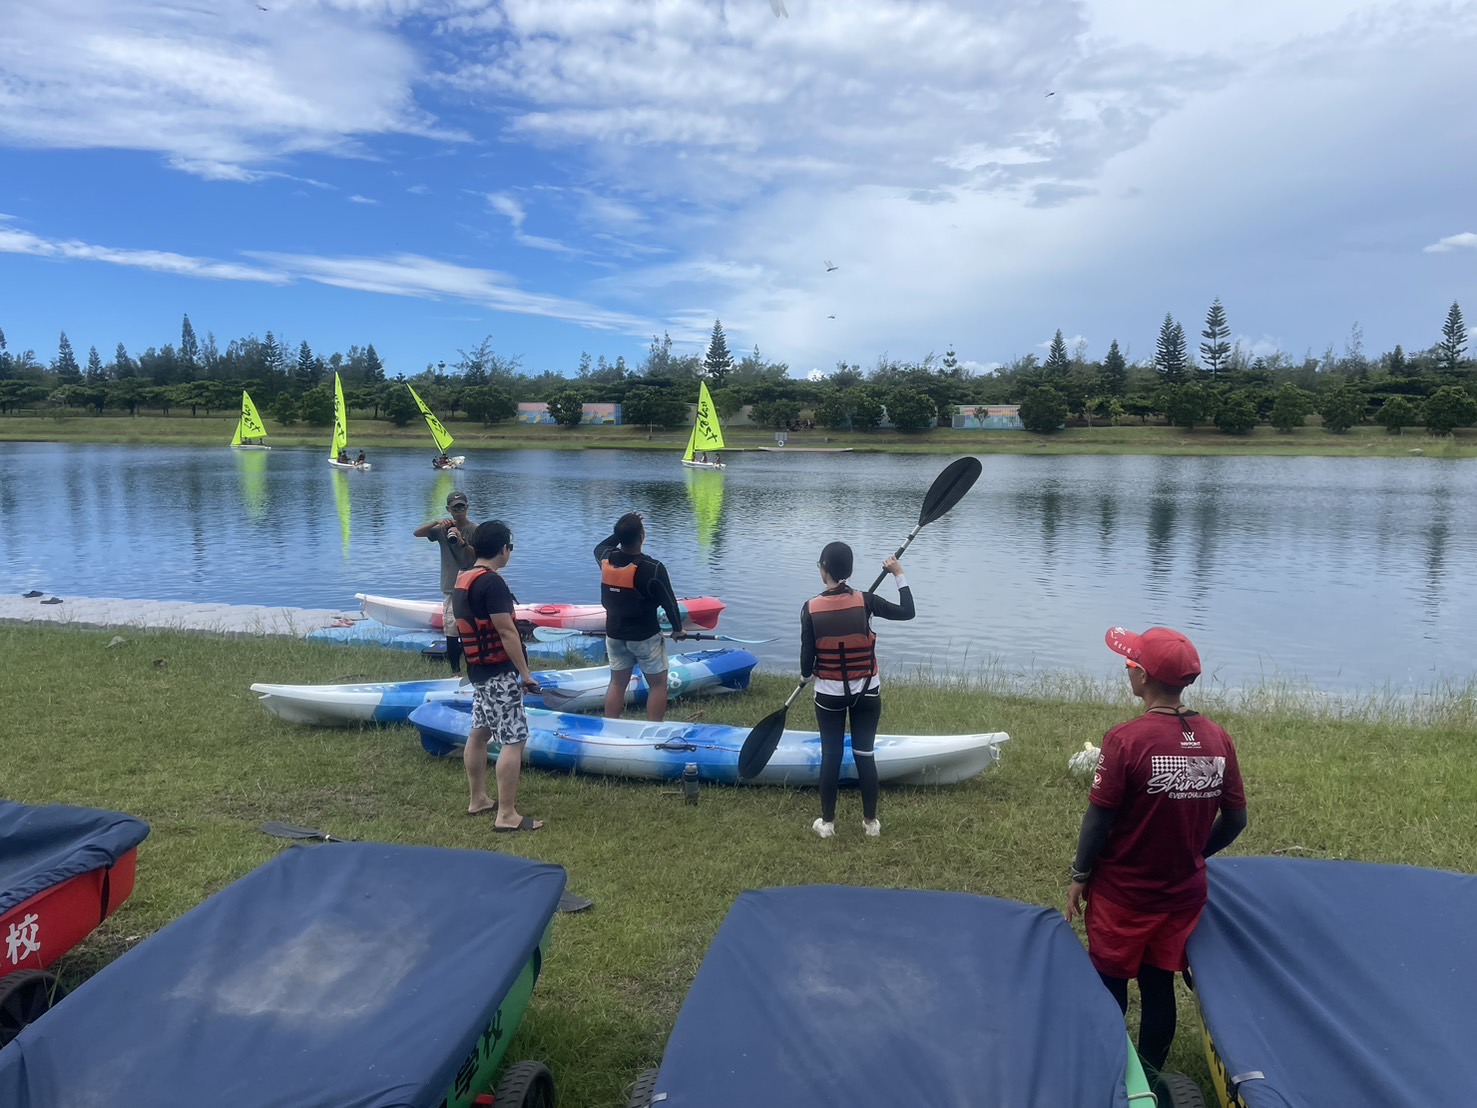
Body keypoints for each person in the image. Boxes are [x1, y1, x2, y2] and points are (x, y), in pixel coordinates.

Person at [1065, 626, 1248, 1081]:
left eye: (1131, 665)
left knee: (1110, 982)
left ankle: (1110, 1072)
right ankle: (1149, 1073)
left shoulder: (1126, 740)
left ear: (1144, 678)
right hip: (1182, 896)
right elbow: (1237, 820)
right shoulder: (1218, 738)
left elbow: (1099, 820)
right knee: (1158, 982)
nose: (1128, 670)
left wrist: (1080, 873)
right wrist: (1192, 851)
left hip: (1123, 896)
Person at [799, 542, 914, 839]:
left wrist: (808, 672)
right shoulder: (867, 601)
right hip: (867, 692)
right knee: (864, 753)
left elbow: (805, 663)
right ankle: (870, 824)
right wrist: (898, 573)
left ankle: (827, 824)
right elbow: (907, 611)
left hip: (829, 696)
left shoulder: (810, 607)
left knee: (831, 755)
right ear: (848, 571)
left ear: (825, 569)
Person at [451, 520, 543, 829]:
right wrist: (526, 674)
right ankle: (506, 815)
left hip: (478, 672)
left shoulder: (464, 579)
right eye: (510, 548)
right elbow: (506, 631)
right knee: (514, 740)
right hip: (499, 673)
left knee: (480, 732)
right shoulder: (492, 583)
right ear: (504, 549)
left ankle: (478, 799)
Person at [594, 512, 686, 721]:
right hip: (645, 636)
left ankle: (610, 727)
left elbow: (598, 547)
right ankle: (653, 729)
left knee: (617, 683)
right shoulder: (653, 568)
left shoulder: (605, 558)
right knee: (658, 684)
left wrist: (620, 532)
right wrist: (677, 629)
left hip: (614, 634)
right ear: (642, 536)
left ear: (619, 537)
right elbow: (669, 603)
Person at [413, 490, 478, 676]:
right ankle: (455, 671)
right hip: (451, 587)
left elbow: (481, 556)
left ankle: (473, 668)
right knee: (451, 628)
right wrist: (437, 522)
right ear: (448, 509)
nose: (459, 510)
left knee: (471, 628)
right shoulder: (441, 530)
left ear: (467, 507)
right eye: (455, 507)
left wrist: (462, 541)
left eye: (462, 506)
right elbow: (417, 533)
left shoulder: (475, 530)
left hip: (472, 586)